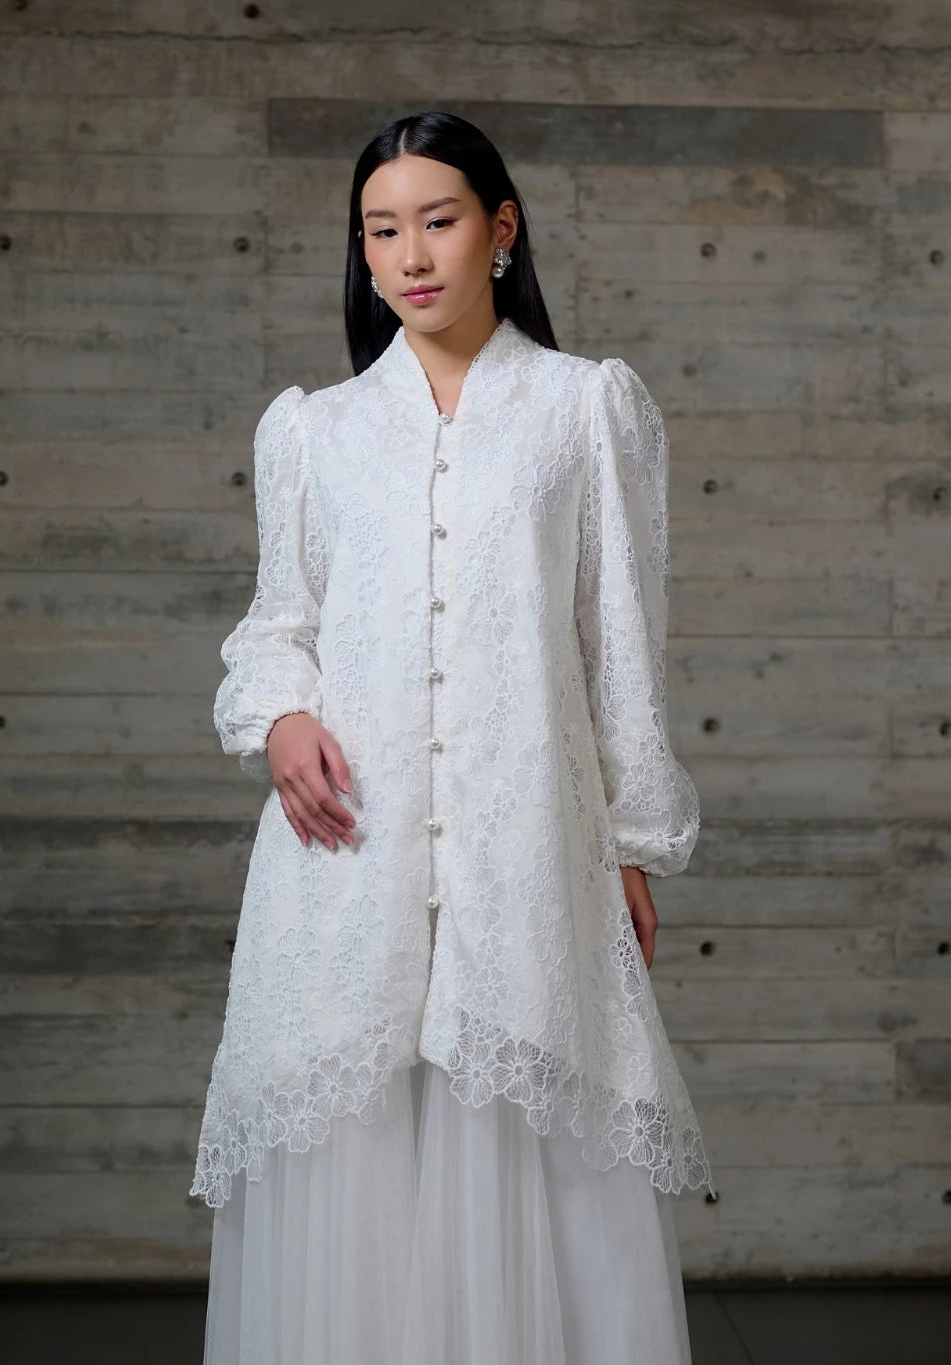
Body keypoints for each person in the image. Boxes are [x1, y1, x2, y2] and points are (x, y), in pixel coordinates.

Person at [190, 109, 715, 1365]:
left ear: (499, 230)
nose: (411, 254)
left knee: (533, 1149)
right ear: (361, 253)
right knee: (355, 1168)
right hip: (344, 858)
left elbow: (621, 649)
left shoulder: (587, 410)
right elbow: (276, 624)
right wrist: (283, 717)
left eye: (438, 220)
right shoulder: (311, 432)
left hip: (527, 846)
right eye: (383, 230)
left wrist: (632, 843)